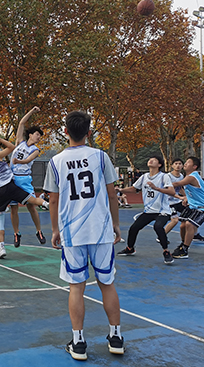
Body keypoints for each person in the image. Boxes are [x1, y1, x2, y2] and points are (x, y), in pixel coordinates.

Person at [44, 111, 124, 361]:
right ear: (89, 132)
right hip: (100, 229)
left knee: (76, 288)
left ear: (65, 132)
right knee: (107, 283)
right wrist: (116, 224)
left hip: (72, 232)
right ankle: (116, 337)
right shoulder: (100, 157)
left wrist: (55, 229)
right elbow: (112, 194)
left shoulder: (55, 162)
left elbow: (53, 200)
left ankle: (78, 342)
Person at [0, 135, 50, 259]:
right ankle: (47, 204)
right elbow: (11, 147)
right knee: (32, 201)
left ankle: (2, 248)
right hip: (10, 185)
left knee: (0, 219)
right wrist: (0, 140)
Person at [117, 156, 175, 264]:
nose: (150, 160)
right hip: (148, 211)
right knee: (134, 228)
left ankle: (166, 252)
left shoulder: (164, 176)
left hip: (162, 210)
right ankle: (130, 248)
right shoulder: (144, 177)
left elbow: (172, 192)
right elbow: (134, 189)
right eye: (150, 159)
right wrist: (120, 189)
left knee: (158, 226)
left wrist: (157, 188)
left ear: (159, 165)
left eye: (154, 160)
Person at [9, 106, 46, 247]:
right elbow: (21, 123)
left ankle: (39, 231)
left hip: (24, 179)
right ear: (30, 135)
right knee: (14, 208)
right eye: (37, 134)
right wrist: (32, 111)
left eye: (40, 136)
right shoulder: (20, 142)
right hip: (13, 179)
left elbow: (28, 160)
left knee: (31, 206)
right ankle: (16, 233)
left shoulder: (35, 150)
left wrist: (19, 162)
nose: (38, 137)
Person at [170, 156, 204, 259]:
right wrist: (187, 198)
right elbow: (184, 189)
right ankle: (183, 244)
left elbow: (177, 184)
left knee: (189, 224)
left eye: (188, 162)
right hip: (193, 206)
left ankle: (184, 250)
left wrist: (158, 184)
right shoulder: (187, 176)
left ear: (194, 166)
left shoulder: (192, 177)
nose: (185, 164)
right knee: (182, 226)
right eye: (185, 162)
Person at [163, 159, 185, 238]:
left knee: (191, 214)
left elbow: (180, 189)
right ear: (172, 166)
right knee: (175, 220)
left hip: (177, 201)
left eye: (180, 163)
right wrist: (180, 197)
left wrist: (187, 197)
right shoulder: (168, 176)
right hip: (168, 202)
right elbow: (168, 190)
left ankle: (194, 234)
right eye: (176, 163)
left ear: (182, 166)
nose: (178, 165)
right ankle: (161, 236)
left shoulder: (181, 176)